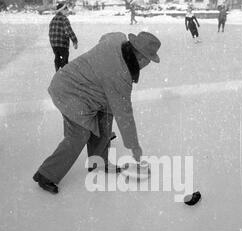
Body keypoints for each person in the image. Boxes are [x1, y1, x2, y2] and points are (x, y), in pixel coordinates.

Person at [33, 31, 161, 194]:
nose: (147, 64)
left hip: (88, 88)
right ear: (141, 58)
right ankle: (46, 175)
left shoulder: (117, 39)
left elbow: (106, 36)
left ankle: (98, 162)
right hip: (68, 90)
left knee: (106, 117)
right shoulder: (120, 76)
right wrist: (134, 146)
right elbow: (125, 115)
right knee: (79, 134)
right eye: (148, 60)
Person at [49, 1, 78, 72]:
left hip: (54, 43)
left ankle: (57, 69)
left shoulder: (53, 19)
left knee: (57, 56)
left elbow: (50, 31)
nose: (67, 11)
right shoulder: (64, 19)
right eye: (66, 9)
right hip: (62, 43)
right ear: (62, 10)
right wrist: (75, 41)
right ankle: (63, 73)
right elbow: (69, 30)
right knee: (64, 58)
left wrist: (53, 41)